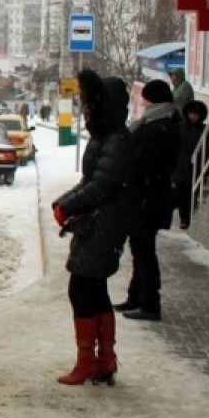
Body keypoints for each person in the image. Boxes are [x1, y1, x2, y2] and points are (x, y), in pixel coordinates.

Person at [51, 69, 135, 386]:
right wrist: (63, 202)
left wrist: (68, 206)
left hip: (105, 224)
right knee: (94, 291)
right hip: (98, 222)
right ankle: (103, 361)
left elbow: (101, 185)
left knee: (83, 290)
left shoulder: (116, 140)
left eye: (90, 106)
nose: (86, 112)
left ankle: (90, 362)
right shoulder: (107, 137)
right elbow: (90, 181)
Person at [115, 80, 181, 322]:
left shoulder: (159, 127)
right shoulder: (159, 123)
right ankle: (136, 297)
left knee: (144, 252)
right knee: (140, 250)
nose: (142, 103)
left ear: (153, 100)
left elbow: (144, 164)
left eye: (146, 98)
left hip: (148, 199)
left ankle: (150, 304)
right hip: (145, 197)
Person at [172, 100, 209, 229]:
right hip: (180, 166)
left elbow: (208, 152)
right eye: (191, 114)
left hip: (196, 167)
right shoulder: (180, 127)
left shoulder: (205, 131)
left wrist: (206, 171)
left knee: (192, 194)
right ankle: (184, 219)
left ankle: (190, 218)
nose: (193, 117)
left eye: (196, 115)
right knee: (180, 194)